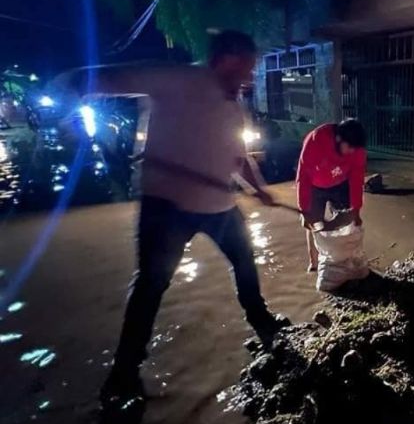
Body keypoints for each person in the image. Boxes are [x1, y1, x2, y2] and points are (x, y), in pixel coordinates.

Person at [56, 30, 286, 404]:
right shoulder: (176, 79)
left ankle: (264, 325)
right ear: (225, 58)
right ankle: (124, 374)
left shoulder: (232, 103)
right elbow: (111, 80)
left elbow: (238, 156)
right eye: (246, 67)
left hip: (220, 207)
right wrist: (75, 87)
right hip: (168, 209)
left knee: (246, 265)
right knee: (150, 287)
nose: (248, 76)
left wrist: (257, 188)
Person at [296, 120, 367, 271]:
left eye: (355, 149)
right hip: (315, 186)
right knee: (312, 224)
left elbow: (357, 179)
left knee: (346, 221)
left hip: (341, 184)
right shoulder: (316, 141)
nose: (352, 152)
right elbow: (303, 176)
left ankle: (343, 261)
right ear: (339, 139)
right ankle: (314, 262)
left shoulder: (357, 149)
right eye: (349, 148)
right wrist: (303, 209)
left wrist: (356, 210)